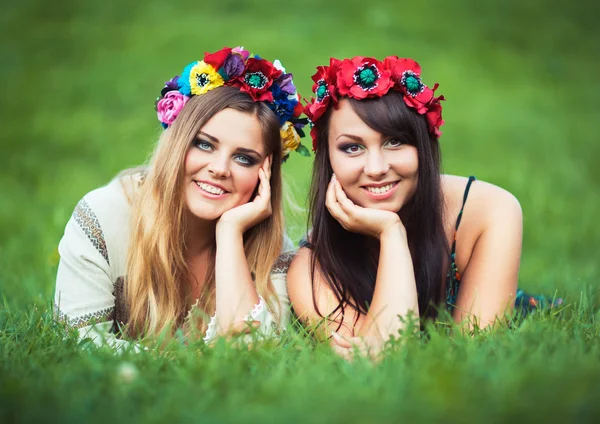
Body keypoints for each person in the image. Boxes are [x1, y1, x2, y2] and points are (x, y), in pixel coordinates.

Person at [287, 56, 561, 358]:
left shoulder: (488, 211)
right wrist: (391, 233)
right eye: (352, 147)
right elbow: (387, 358)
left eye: (395, 142)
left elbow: (475, 357)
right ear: (328, 158)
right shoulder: (312, 268)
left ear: (423, 146)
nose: (377, 168)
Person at [54, 46, 309, 349]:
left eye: (244, 158)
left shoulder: (271, 249)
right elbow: (78, 343)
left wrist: (229, 234)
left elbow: (253, 357)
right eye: (203, 144)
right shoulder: (103, 217)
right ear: (176, 141)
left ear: (265, 172)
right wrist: (173, 369)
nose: (219, 169)